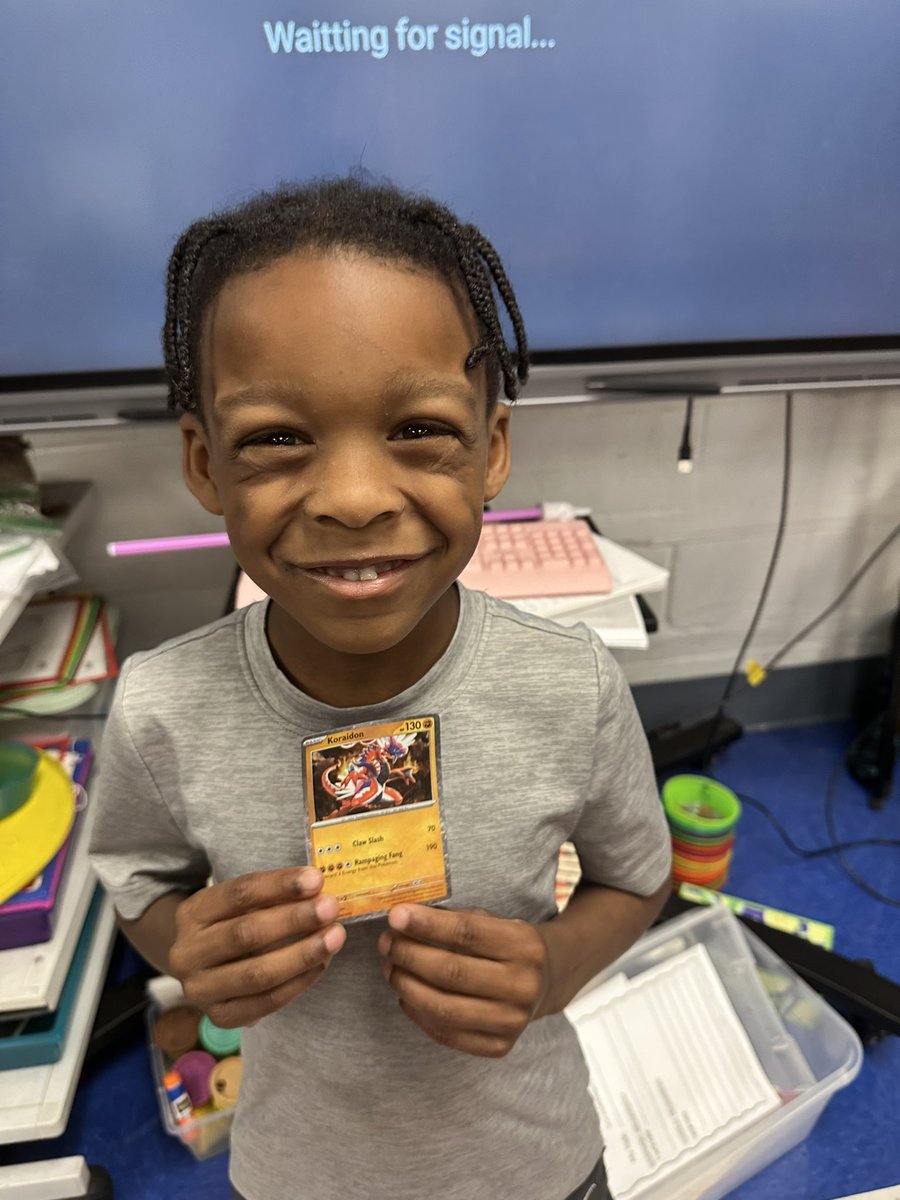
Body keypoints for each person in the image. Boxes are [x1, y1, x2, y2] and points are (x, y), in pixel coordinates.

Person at [89, 176, 672, 1200]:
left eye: (418, 429)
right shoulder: (161, 708)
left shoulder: (569, 685)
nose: (355, 499)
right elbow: (138, 879)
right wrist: (186, 943)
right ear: (205, 464)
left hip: (537, 1168)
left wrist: (555, 968)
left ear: (491, 450)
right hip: (298, 1174)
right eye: (276, 437)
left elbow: (639, 875)